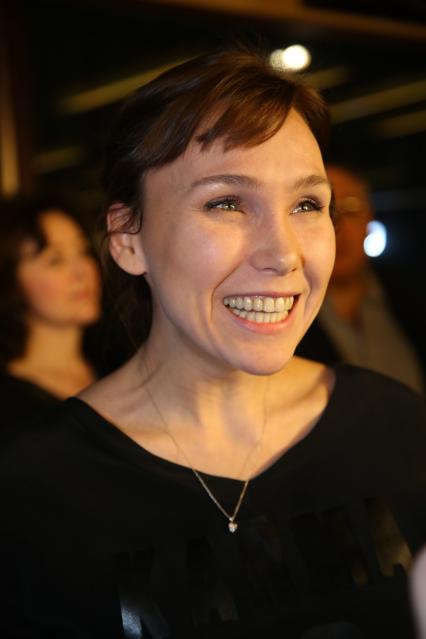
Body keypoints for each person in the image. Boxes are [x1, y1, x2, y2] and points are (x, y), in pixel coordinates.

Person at [0, 48, 425, 639]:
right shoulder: (33, 489)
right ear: (127, 239)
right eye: (227, 203)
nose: (284, 254)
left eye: (307, 204)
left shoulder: (395, 427)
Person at [296, 165, 424, 394]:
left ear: (370, 219)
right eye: (320, 210)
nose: (339, 226)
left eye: (351, 209)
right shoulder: (286, 314)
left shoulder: (412, 295)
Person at [0, 197, 101, 425]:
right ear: (11, 280)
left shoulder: (120, 366)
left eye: (83, 251)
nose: (81, 271)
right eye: (55, 260)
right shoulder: (9, 404)